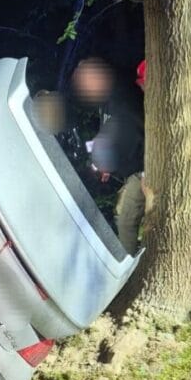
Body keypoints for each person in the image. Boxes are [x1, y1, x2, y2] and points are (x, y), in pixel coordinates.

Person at [70, 56, 145, 255]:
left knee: (125, 213)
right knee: (123, 212)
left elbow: (130, 129)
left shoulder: (120, 96)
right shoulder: (106, 104)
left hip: (146, 167)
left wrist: (107, 161)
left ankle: (132, 267)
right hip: (135, 171)